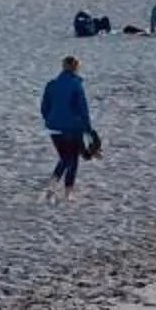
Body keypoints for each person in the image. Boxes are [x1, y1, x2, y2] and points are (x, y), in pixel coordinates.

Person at [41, 55, 92, 201]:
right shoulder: (76, 85)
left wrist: (50, 120)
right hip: (72, 127)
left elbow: (44, 107)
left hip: (54, 127)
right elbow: (83, 109)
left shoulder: (51, 84)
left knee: (64, 157)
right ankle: (68, 191)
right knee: (72, 159)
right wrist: (88, 129)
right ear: (76, 68)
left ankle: (52, 184)